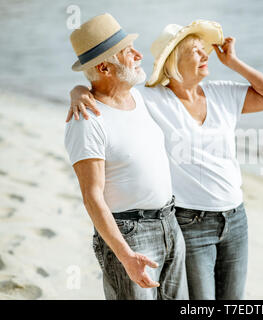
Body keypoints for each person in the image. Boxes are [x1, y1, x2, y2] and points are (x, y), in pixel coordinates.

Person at [67, 20, 263, 299]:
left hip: (223, 218)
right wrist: (80, 92)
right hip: (187, 221)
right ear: (172, 61)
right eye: (195, 50)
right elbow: (108, 94)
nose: (205, 55)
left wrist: (234, 62)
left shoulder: (217, 94)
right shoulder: (152, 99)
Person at [64, 13, 188, 300]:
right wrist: (125, 254)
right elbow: (92, 197)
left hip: (170, 221)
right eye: (128, 52)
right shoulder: (86, 120)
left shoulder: (139, 98)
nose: (138, 54)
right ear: (105, 67)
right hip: (130, 234)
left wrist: (78, 88)